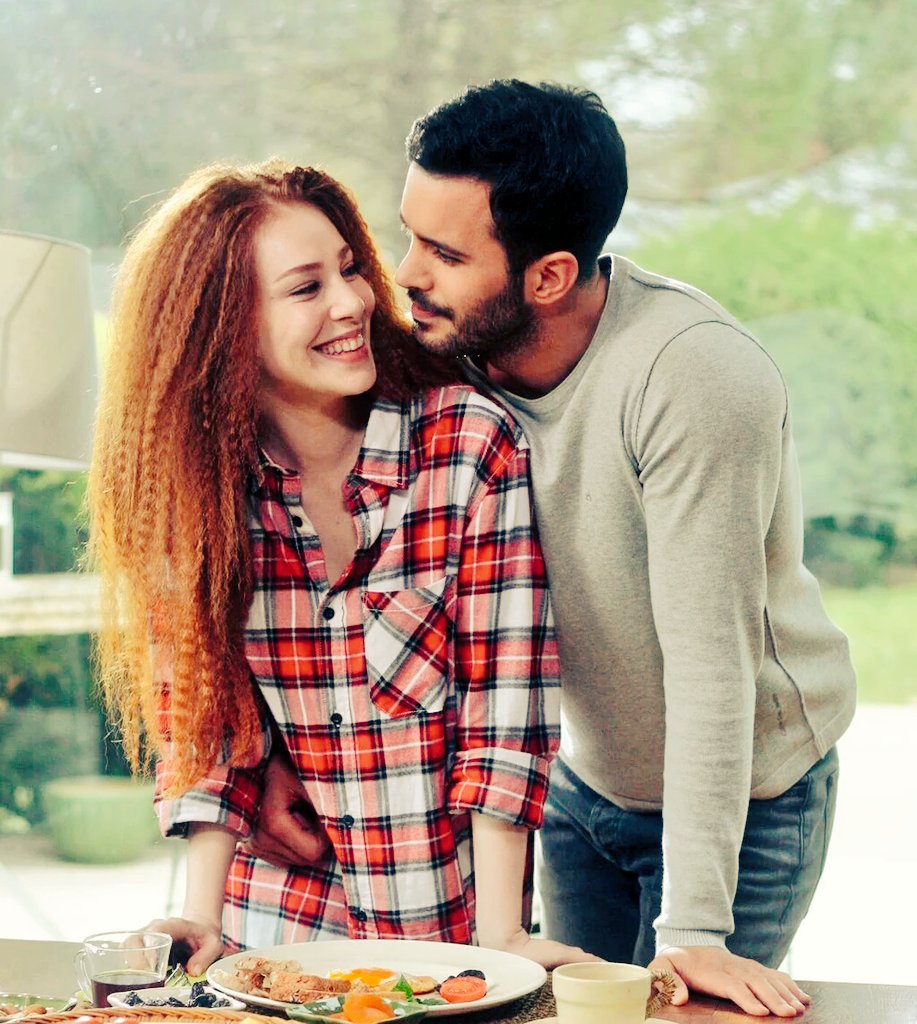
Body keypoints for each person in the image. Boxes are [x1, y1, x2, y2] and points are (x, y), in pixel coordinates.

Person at [250, 81, 857, 1018]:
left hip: (748, 789)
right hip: (583, 781)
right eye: (410, 235)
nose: (403, 275)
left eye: (446, 254)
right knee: (561, 1013)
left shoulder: (693, 376)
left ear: (548, 276)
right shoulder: (445, 349)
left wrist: (696, 929)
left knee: (679, 1012)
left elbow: (713, 668)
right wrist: (265, 759)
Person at [87, 157, 596, 975]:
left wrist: (503, 937)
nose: (354, 301)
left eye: (349, 268)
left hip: (441, 942)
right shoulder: (192, 491)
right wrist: (198, 917)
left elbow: (507, 711)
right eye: (306, 288)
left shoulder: (467, 444)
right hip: (271, 938)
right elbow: (204, 724)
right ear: (223, 327)